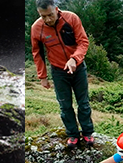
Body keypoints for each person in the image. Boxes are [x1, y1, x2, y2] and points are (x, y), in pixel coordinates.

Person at [30, 0, 94, 147]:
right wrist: (42, 76)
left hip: (78, 68)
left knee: (83, 103)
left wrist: (74, 58)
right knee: (65, 105)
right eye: (43, 16)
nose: (47, 19)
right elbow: (37, 53)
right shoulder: (36, 28)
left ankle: (88, 133)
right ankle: (72, 134)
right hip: (58, 71)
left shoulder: (71, 18)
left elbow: (83, 42)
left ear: (56, 9)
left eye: (50, 15)